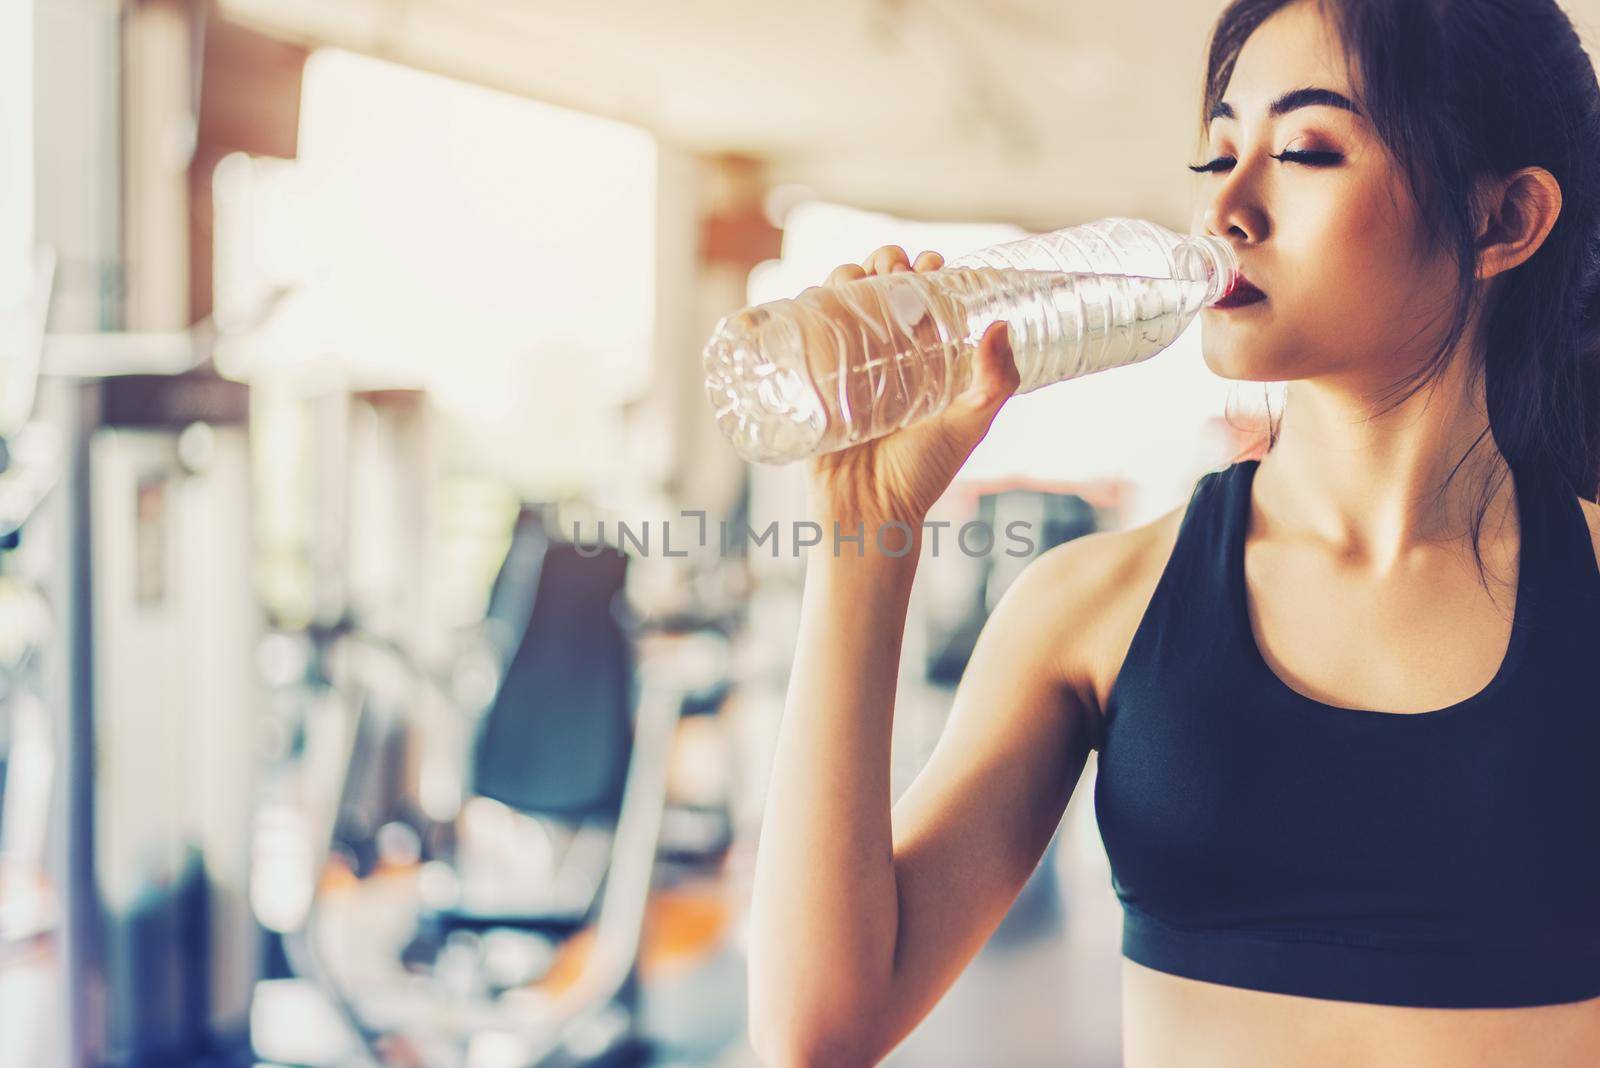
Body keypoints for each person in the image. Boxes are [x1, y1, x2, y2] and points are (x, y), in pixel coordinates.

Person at [744, 0, 1600, 1064]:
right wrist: (862, 536)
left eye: (1305, 149)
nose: (1228, 209)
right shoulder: (1093, 608)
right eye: (1217, 156)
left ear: (1504, 221)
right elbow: (817, 1028)